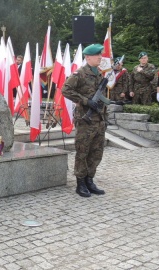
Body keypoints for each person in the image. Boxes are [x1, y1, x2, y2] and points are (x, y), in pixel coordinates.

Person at [62, 44, 107, 198]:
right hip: (85, 120)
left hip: (99, 120)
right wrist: (86, 101)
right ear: (88, 57)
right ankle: (80, 182)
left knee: (96, 152)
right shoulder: (79, 73)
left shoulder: (99, 75)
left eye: (100, 55)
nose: (100, 57)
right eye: (97, 55)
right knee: (83, 151)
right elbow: (65, 90)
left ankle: (90, 180)